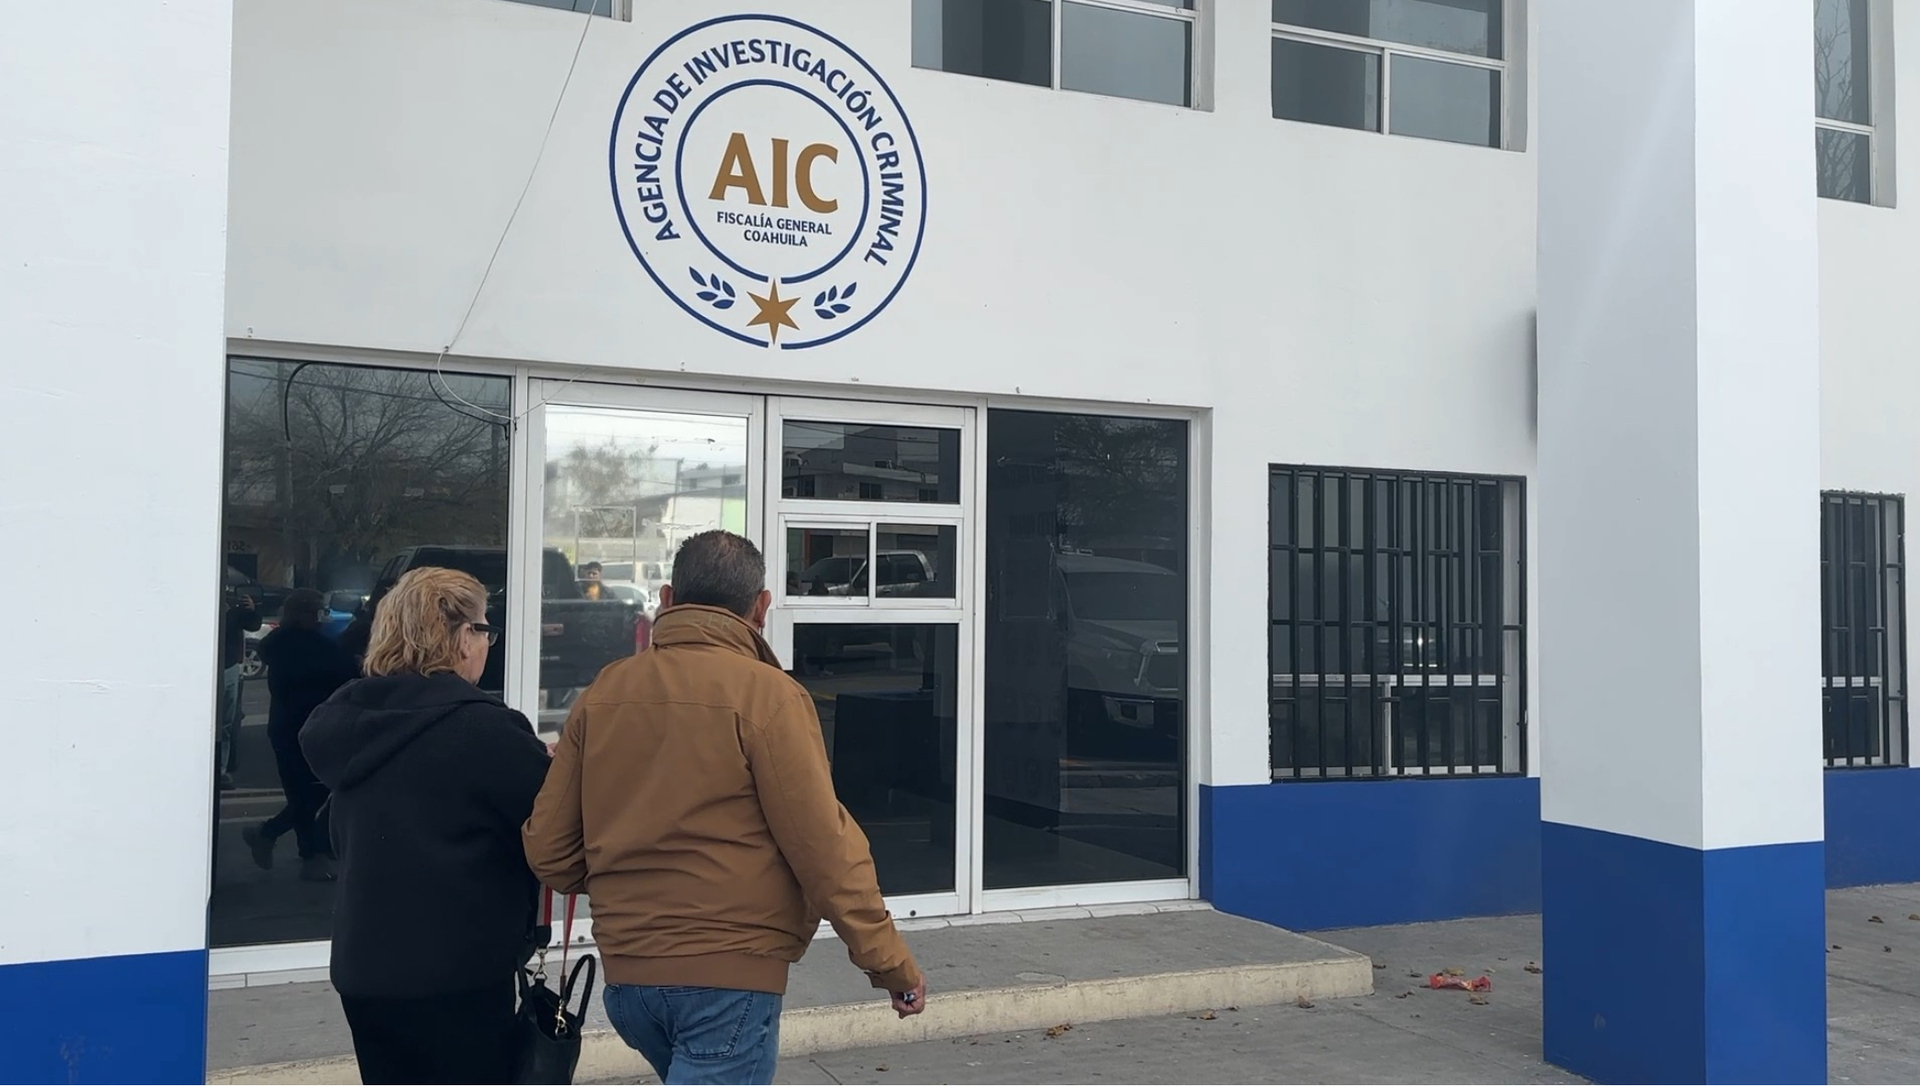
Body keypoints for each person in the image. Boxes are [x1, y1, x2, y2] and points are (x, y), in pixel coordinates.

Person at [524, 530, 925, 1086]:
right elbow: (824, 850)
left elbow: (549, 848)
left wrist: (623, 882)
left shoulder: (605, 691)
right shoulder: (770, 697)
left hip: (629, 985)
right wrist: (890, 963)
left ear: (667, 599)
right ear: (761, 607)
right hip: (729, 981)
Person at [301, 567, 553, 1085]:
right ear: (461, 638)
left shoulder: (349, 719)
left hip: (364, 970)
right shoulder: (484, 728)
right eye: (485, 630)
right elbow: (553, 823)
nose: (486, 645)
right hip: (457, 973)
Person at [244, 589, 357, 881]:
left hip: (284, 726)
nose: (321, 619)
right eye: (317, 612)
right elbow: (345, 671)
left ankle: (298, 849)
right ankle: (296, 848)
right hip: (310, 725)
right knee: (314, 792)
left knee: (301, 793)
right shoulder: (312, 646)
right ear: (304, 614)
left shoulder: (277, 644)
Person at [217, 591, 262, 790]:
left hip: (230, 668)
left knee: (226, 722)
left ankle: (221, 770)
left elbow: (253, 625)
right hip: (209, 668)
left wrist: (251, 610)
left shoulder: (233, 610)